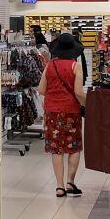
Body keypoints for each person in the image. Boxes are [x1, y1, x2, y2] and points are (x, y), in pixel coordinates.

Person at [37, 33, 86, 198]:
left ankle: (59, 187)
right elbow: (79, 92)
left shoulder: (50, 65)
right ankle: (70, 182)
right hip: (71, 111)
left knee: (56, 149)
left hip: (52, 112)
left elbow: (41, 90)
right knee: (73, 147)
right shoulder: (75, 66)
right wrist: (86, 103)